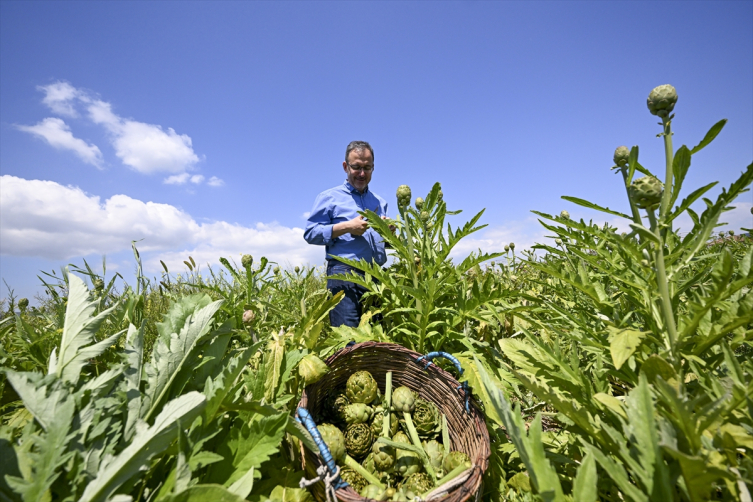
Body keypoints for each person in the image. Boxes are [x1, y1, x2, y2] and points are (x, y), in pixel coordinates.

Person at [304, 140, 390, 327]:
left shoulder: (380, 201)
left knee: (377, 340)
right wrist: (347, 227)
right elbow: (311, 233)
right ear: (345, 166)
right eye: (356, 167)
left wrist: (389, 233)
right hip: (344, 274)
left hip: (376, 277)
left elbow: (383, 243)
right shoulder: (329, 197)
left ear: (373, 168)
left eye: (367, 168)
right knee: (348, 340)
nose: (361, 173)